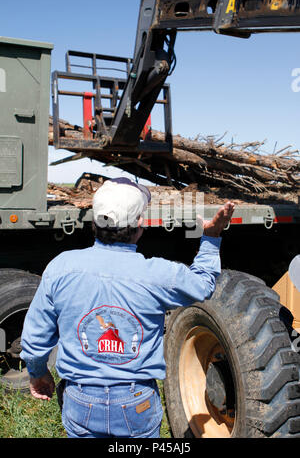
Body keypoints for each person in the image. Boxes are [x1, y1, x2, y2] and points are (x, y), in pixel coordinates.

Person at [20, 177, 235, 438]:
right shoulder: (158, 274)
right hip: (136, 400)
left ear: (93, 223)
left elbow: (35, 338)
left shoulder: (60, 268)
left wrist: (38, 373)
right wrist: (211, 237)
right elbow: (203, 285)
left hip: (80, 397)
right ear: (140, 226)